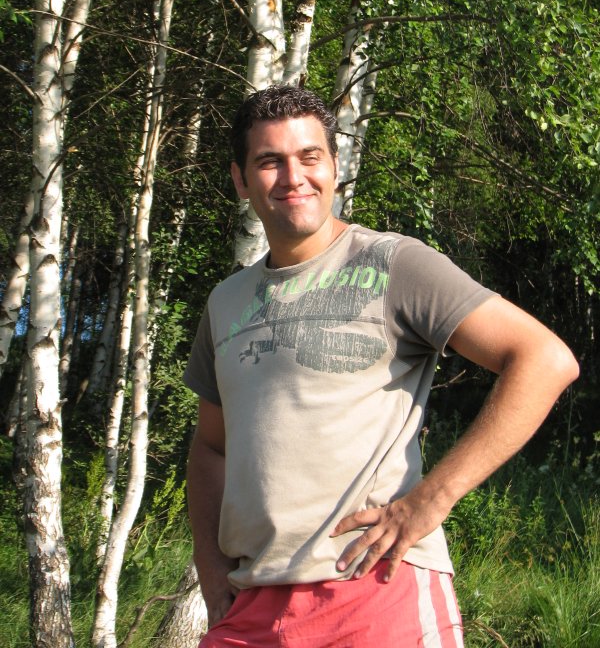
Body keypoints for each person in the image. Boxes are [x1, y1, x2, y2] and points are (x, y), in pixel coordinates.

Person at [184, 86, 578, 647]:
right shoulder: (225, 302)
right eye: (269, 161)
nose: (293, 177)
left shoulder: (394, 263)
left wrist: (430, 500)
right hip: (251, 607)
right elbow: (211, 447)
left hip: (376, 588)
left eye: (309, 157)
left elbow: (544, 359)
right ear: (240, 180)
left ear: (334, 167)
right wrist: (209, 563)